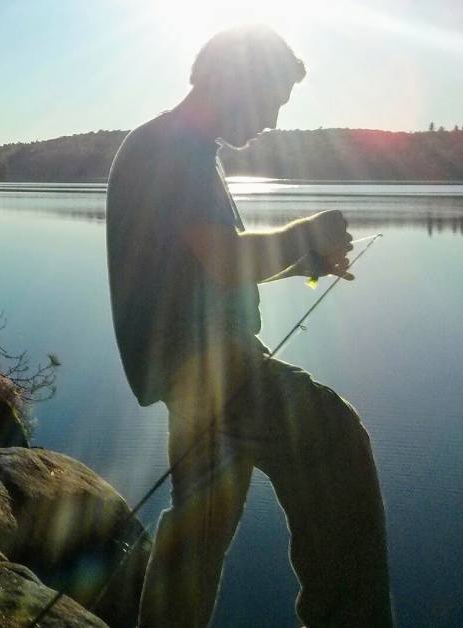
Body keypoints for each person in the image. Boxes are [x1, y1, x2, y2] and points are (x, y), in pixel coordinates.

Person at [104, 25, 393, 627]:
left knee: (198, 534)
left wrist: (299, 262)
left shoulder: (184, 151)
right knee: (337, 440)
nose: (274, 119)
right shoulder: (169, 150)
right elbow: (226, 258)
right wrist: (301, 236)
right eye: (274, 99)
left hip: (195, 370)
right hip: (208, 366)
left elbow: (205, 269)